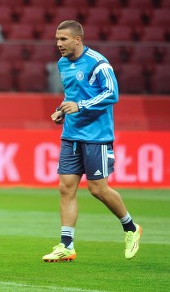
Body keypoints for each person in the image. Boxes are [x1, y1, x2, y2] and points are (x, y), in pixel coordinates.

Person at [43, 20, 142, 262]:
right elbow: (72, 95)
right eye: (57, 39)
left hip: (96, 136)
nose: (59, 44)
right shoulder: (63, 63)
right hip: (71, 134)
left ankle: (131, 228)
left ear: (78, 39)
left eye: (63, 39)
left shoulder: (98, 63)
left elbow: (111, 94)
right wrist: (62, 110)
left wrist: (80, 106)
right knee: (66, 187)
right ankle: (67, 245)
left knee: (98, 189)